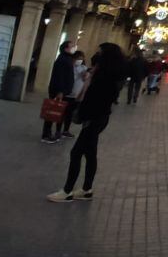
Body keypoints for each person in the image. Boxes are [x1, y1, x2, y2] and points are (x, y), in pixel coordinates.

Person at [46, 43, 127, 202]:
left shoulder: (105, 75)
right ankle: (86, 189)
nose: (97, 54)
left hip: (94, 118)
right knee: (90, 153)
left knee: (76, 153)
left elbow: (95, 98)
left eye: (100, 52)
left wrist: (85, 115)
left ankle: (67, 191)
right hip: (100, 117)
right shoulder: (111, 74)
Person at [42, 40, 76, 143]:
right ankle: (46, 135)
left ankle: (51, 133)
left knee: (57, 112)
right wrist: (60, 91)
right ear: (66, 48)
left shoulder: (67, 58)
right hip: (58, 91)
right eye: (71, 47)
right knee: (52, 111)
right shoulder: (62, 60)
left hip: (63, 90)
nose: (74, 48)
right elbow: (60, 77)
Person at [59, 50, 88, 139]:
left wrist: (84, 75)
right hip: (67, 93)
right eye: (78, 58)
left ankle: (66, 130)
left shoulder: (84, 68)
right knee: (62, 113)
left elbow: (85, 80)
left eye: (81, 59)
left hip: (76, 95)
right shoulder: (69, 67)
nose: (79, 60)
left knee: (70, 114)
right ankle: (58, 130)